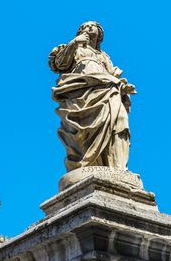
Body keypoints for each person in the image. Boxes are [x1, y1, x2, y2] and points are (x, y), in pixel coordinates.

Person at [49, 21, 136, 172]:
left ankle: (118, 167)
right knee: (85, 130)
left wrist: (122, 86)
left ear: (100, 32)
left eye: (92, 25)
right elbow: (60, 64)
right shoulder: (76, 47)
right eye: (84, 26)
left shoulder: (104, 56)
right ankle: (88, 164)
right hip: (82, 89)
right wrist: (74, 43)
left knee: (120, 120)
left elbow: (112, 74)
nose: (88, 28)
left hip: (108, 89)